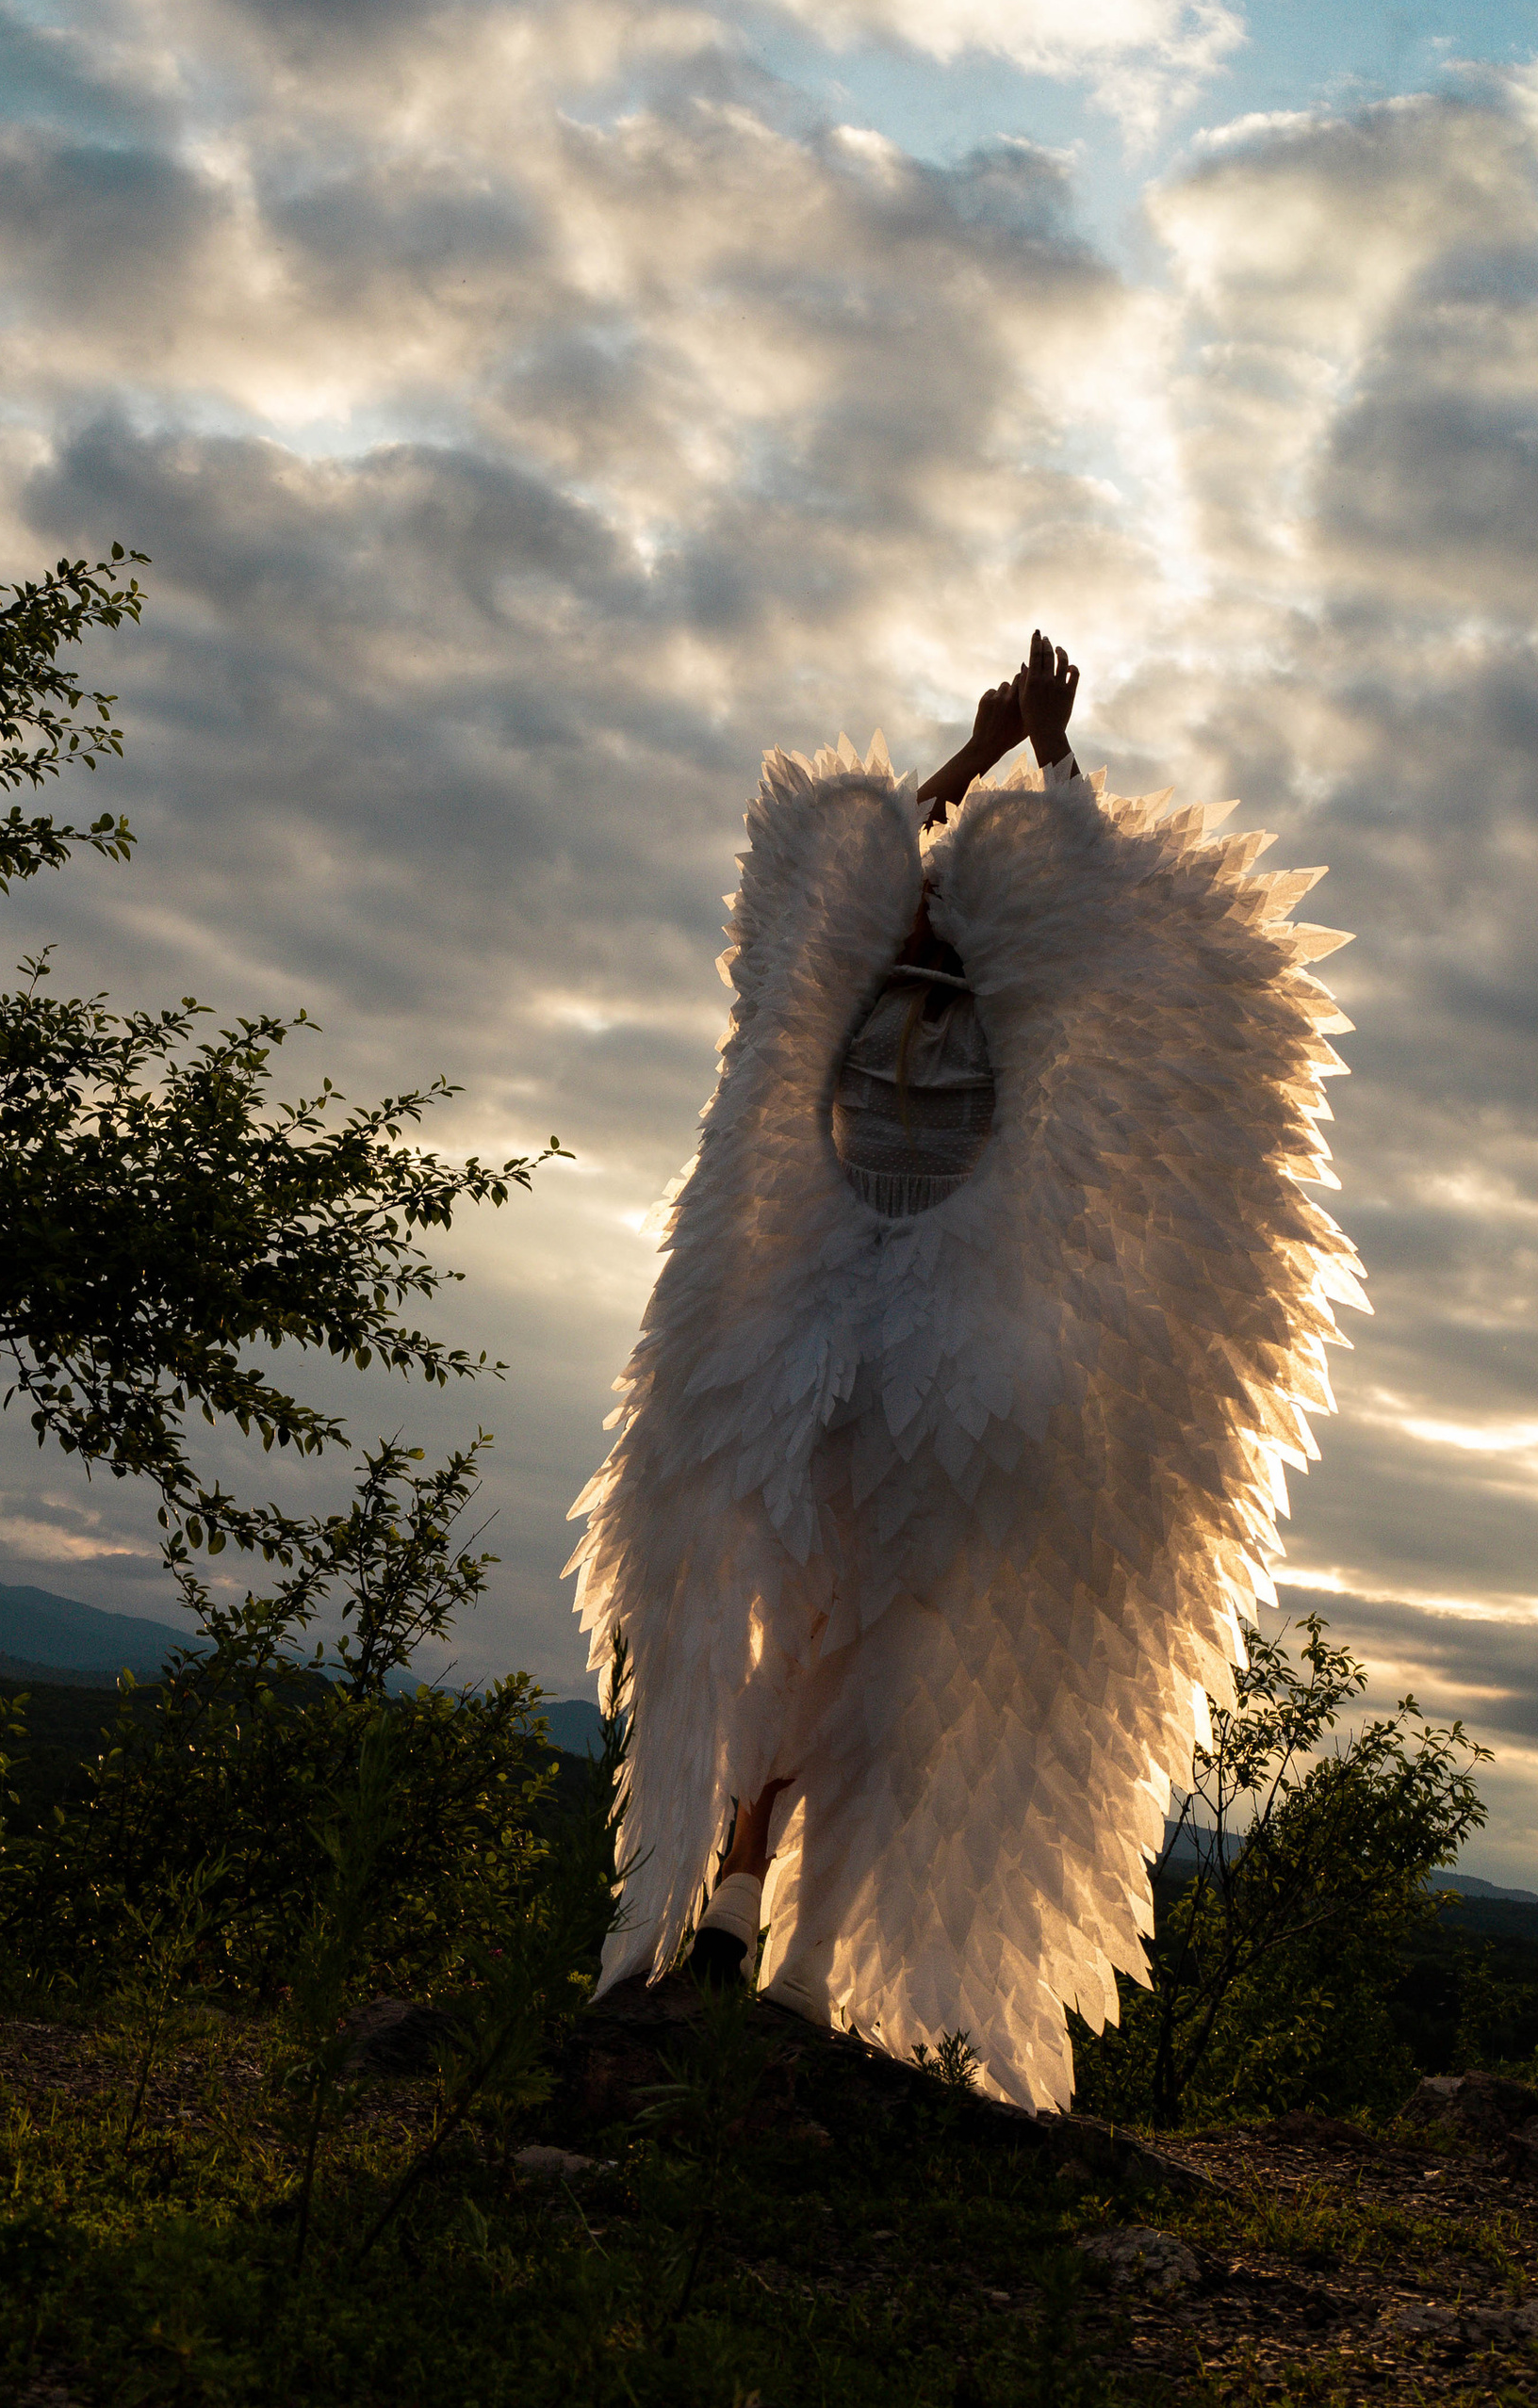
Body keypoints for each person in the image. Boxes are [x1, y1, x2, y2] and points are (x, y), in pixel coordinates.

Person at [567, 627, 1361, 2107]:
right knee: (775, 1606)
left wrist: (1053, 761)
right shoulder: (850, 983)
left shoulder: (1027, 1017)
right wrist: (978, 752)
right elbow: (859, 866)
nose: (932, 904)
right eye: (926, 896)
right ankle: (726, 1895)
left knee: (893, 1644)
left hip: (952, 1352)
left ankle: (811, 1955)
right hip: (810, 1314)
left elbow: (1104, 924)